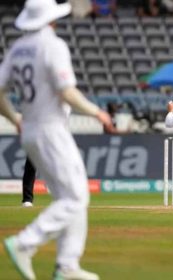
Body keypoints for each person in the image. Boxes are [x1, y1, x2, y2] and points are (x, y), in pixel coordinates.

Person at [0, 1, 112, 279]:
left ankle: (67, 266)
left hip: (29, 131)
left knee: (68, 195)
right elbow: (67, 93)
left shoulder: (17, 49)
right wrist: (97, 112)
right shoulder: (53, 46)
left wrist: (15, 120)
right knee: (76, 197)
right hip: (51, 129)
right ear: (51, 19)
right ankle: (25, 242)